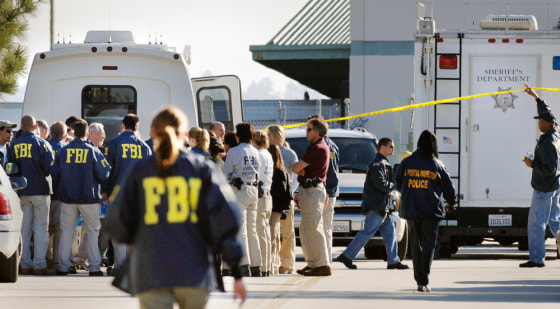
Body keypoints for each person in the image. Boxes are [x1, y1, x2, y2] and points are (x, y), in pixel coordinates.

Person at [102, 106, 246, 308]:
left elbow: (117, 223)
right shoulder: (202, 169)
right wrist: (237, 274)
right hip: (195, 271)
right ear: (185, 135)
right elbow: (225, 221)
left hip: (152, 272)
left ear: (152, 134)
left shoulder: (141, 170)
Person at [395, 130, 456, 292]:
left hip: (412, 210)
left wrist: (408, 192)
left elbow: (397, 182)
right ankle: (424, 280)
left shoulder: (407, 162)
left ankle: (419, 280)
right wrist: (451, 202)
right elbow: (449, 186)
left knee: (415, 246)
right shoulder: (437, 164)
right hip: (431, 210)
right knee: (429, 246)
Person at [336, 137, 409, 270]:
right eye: (391, 147)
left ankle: (393, 261)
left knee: (390, 233)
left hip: (384, 206)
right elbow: (380, 183)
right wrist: (394, 186)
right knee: (367, 232)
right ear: (383, 147)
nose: (394, 149)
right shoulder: (377, 164)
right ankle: (346, 256)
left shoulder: (383, 163)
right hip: (378, 205)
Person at [51, 118, 111, 276]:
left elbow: (54, 174)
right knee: (92, 232)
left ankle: (63, 266)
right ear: (86, 133)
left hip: (67, 199)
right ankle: (94, 267)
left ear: (74, 132)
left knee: (66, 232)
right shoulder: (93, 151)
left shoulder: (64, 150)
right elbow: (105, 173)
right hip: (89, 199)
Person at [104, 114, 152, 275]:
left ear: (123, 125)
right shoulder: (145, 147)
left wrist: (105, 191)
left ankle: (119, 265)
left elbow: (107, 171)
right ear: (137, 128)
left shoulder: (113, 144)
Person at [520, 84, 560, 268]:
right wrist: (535, 96)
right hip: (554, 187)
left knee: (536, 224)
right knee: (555, 221)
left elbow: (549, 170)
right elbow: (547, 111)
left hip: (544, 188)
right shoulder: (556, 131)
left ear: (547, 123)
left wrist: (532, 164)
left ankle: (536, 259)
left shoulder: (550, 143)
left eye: (540, 121)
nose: (538, 124)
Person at [9, 115, 55, 276]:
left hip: (21, 191)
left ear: (21, 126)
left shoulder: (14, 144)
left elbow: (11, 166)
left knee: (24, 228)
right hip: (41, 190)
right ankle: (39, 264)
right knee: (41, 228)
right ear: (35, 126)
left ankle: (25, 263)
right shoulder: (43, 143)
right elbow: (49, 167)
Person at [292, 117, 331, 276]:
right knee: (307, 228)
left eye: (308, 129)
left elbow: (296, 167)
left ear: (317, 132)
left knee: (314, 227)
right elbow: (300, 169)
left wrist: (300, 169)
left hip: (312, 190)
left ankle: (322, 264)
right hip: (310, 189)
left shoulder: (318, 148)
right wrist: (301, 170)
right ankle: (313, 263)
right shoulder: (316, 147)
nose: (306, 132)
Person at [223, 122, 261, 277]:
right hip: (253, 189)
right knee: (252, 230)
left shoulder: (234, 151)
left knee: (241, 230)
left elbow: (227, 174)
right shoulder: (255, 151)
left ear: (237, 136)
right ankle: (257, 265)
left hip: (240, 191)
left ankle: (244, 265)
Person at [266, 125, 298, 274]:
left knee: (287, 231)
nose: (268, 138)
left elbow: (297, 173)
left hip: (285, 196)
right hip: (271, 196)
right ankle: (275, 261)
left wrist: (290, 188)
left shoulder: (289, 153)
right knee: (274, 231)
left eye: (270, 135)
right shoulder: (266, 152)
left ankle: (287, 263)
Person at [46, 121, 68, 271]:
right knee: (60, 230)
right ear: (65, 136)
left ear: (50, 134)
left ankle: (45, 259)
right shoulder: (66, 149)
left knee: (44, 230)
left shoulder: (44, 146)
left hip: (45, 195)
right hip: (61, 195)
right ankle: (58, 262)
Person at [267, 144, 292, 275]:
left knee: (272, 237)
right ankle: (274, 264)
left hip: (274, 208)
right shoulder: (282, 170)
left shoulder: (277, 171)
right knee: (274, 237)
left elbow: (281, 191)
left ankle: (272, 264)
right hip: (276, 208)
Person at [253, 130, 273, 277]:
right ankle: (267, 265)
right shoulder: (268, 154)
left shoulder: (258, 154)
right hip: (267, 194)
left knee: (259, 231)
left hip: (259, 194)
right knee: (265, 231)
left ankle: (262, 266)